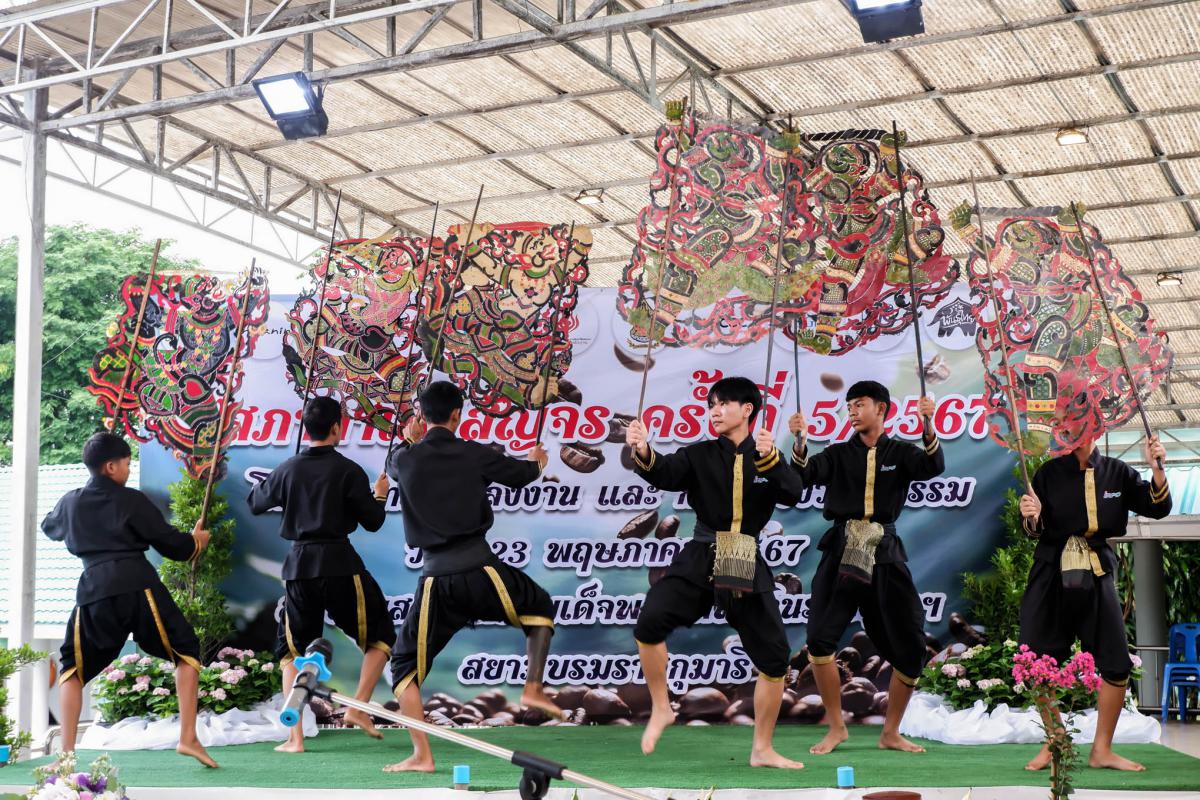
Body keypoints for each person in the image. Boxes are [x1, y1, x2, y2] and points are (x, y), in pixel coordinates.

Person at [626, 375, 805, 769]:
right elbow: (663, 471)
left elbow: (794, 491)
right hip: (702, 551)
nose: (715, 411)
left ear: (747, 409)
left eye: (723, 404)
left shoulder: (766, 454)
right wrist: (642, 448)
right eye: (712, 405)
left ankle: (762, 749)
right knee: (649, 623)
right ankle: (661, 707)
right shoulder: (700, 454)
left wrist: (773, 460)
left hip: (743, 553)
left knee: (775, 659)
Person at [381, 380, 557, 774]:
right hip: (481, 571)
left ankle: (422, 756)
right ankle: (532, 688)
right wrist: (538, 460)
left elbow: (393, 461)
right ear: (457, 415)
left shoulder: (405, 459)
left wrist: (410, 438)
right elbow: (522, 474)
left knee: (404, 667)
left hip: (436, 580)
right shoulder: (474, 453)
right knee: (540, 608)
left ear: (422, 416)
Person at [42, 432, 217, 767]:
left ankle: (65, 756)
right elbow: (175, 547)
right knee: (186, 651)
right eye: (125, 463)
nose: (128, 468)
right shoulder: (132, 500)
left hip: (94, 590)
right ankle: (188, 738)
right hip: (138, 586)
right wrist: (196, 542)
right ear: (110, 466)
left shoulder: (70, 501)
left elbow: (50, 527)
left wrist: (74, 511)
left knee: (71, 671)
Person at [787, 380, 941, 755]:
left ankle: (891, 732)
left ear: (881, 408)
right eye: (850, 406)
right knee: (820, 640)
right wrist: (800, 442)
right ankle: (836, 727)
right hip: (841, 552)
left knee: (911, 648)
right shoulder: (838, 454)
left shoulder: (901, 453)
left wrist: (929, 424)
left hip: (884, 553)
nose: (853, 412)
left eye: (860, 404)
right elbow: (804, 475)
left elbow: (932, 466)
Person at [247, 396, 394, 753]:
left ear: (306, 428)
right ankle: (358, 707)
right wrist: (379, 495)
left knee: (293, 654)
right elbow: (373, 522)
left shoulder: (288, 468)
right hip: (341, 563)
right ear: (336, 428)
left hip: (300, 567)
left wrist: (285, 480)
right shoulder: (349, 470)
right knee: (381, 638)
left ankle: (294, 738)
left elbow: (255, 502)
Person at [1018, 435, 1170, 772]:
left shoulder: (1119, 472)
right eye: (1065, 421)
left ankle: (1102, 750)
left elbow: (1158, 508)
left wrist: (1157, 469)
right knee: (1033, 657)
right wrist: (1032, 515)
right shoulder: (1048, 473)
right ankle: (1056, 740)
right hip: (1050, 572)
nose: (1070, 428)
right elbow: (1031, 529)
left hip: (1098, 571)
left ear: (1095, 427)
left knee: (1116, 662)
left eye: (1079, 419)